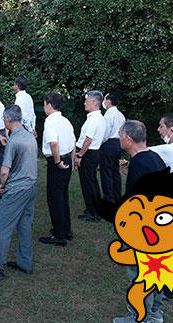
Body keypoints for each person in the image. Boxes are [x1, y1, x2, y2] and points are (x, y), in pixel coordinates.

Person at [110, 119, 167, 323]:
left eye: (119, 135)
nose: (118, 138)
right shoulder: (154, 157)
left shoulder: (140, 163)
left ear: (128, 138)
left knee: (140, 272)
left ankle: (140, 317)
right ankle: (154, 314)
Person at [0, 105, 38, 279]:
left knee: (3, 227)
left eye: (4, 119)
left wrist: (2, 185)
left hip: (17, 189)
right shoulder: (29, 136)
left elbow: (4, 170)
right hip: (31, 187)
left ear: (7, 120)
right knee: (25, 226)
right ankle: (25, 263)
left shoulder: (13, 140)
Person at [38, 93, 76, 247]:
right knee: (63, 196)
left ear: (49, 105)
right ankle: (66, 229)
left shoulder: (50, 121)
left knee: (55, 198)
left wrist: (58, 161)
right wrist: (71, 160)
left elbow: (54, 143)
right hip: (66, 158)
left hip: (58, 161)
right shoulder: (65, 121)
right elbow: (73, 141)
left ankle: (59, 235)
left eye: (44, 104)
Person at [73, 90, 106, 222]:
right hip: (92, 152)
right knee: (91, 181)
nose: (84, 103)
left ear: (94, 103)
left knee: (88, 183)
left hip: (88, 153)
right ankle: (94, 209)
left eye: (86, 100)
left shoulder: (94, 119)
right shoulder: (98, 118)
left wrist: (80, 155)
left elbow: (88, 139)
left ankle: (93, 213)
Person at [99, 92, 126, 203]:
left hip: (109, 144)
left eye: (104, 99)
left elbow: (105, 133)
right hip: (118, 143)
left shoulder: (109, 115)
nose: (103, 102)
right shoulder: (121, 115)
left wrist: (99, 143)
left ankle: (108, 198)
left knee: (106, 171)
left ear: (108, 101)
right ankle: (117, 195)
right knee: (115, 171)